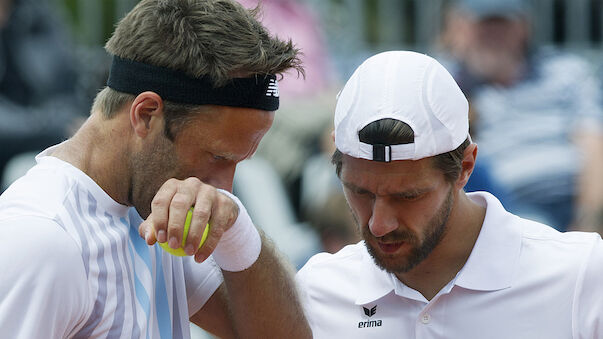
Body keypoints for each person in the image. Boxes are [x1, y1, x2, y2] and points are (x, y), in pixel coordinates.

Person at [0, 0, 311, 338]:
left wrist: (237, 231)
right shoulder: (43, 240)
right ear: (146, 113)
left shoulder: (161, 205)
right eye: (217, 158)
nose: (225, 189)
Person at [296, 51, 603, 338]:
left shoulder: (581, 274)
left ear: (465, 167)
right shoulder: (317, 291)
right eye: (359, 191)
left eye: (408, 196)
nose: (379, 224)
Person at [436, 0, 603, 232]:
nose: (493, 35)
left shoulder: (566, 72)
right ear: (460, 28)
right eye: (484, 24)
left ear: (524, 27)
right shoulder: (447, 82)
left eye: (503, 24)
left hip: (577, 201)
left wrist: (590, 219)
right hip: (506, 206)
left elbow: (593, 143)